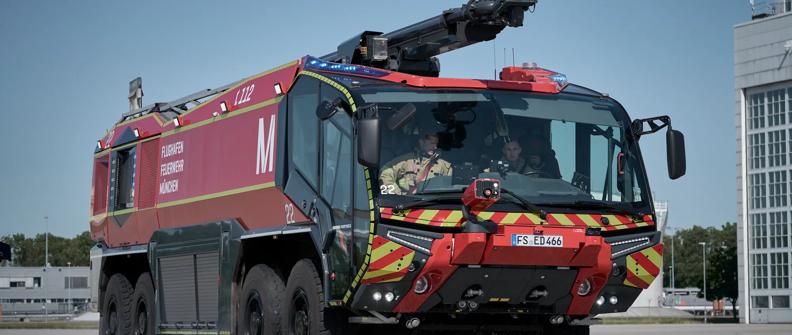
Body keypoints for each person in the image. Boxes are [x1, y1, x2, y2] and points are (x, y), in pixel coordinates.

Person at [380, 133, 453, 195]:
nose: (435, 147)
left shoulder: (444, 166)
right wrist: (397, 194)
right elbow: (385, 173)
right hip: (405, 205)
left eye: (436, 144)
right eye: (432, 143)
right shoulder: (406, 160)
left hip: (433, 206)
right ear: (421, 142)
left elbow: (449, 190)